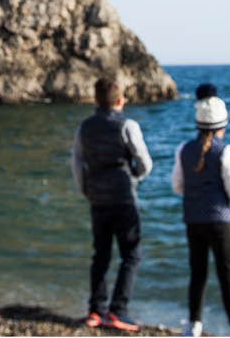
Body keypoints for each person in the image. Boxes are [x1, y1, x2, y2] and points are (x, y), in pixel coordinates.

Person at [172, 84, 230, 338]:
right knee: (226, 273)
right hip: (219, 221)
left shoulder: (183, 149)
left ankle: (193, 325)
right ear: (222, 125)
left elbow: (177, 186)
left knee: (197, 273)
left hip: (193, 220)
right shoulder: (226, 152)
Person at [71, 77, 153, 331]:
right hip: (123, 197)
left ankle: (95, 310)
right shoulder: (127, 125)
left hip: (97, 198)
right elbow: (145, 162)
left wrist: (86, 190)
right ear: (120, 100)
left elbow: (76, 163)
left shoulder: (84, 127)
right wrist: (134, 177)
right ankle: (118, 310)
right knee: (131, 254)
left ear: (95, 100)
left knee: (101, 255)